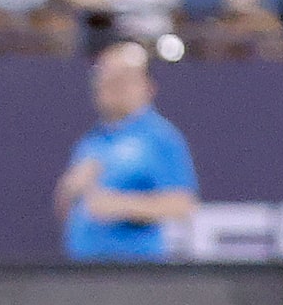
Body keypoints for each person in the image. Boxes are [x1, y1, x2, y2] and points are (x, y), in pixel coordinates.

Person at [56, 39, 198, 261]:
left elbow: (181, 204)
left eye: (121, 80)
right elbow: (69, 210)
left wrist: (121, 205)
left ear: (146, 86)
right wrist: (69, 189)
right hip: (84, 272)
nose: (110, 87)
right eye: (104, 79)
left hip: (134, 274)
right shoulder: (92, 140)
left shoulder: (160, 137)